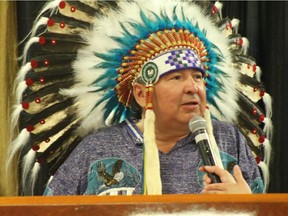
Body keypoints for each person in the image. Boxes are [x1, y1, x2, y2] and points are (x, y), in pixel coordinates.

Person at [8, 0, 271, 195]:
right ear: (143, 93)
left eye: (198, 77)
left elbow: (265, 210)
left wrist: (245, 204)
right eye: (176, 77)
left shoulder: (228, 141)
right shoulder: (97, 149)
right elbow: (51, 211)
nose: (193, 87)